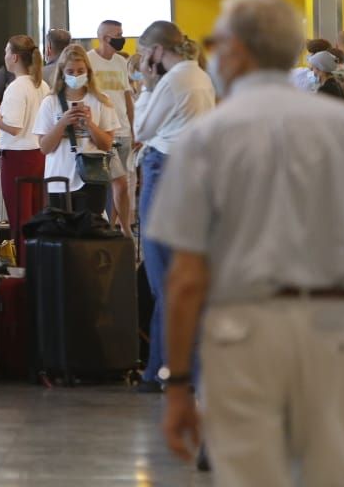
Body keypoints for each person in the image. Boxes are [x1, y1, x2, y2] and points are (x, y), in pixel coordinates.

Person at [153, 0, 344, 484]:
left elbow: (186, 278)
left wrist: (178, 388)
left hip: (241, 334)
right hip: (335, 331)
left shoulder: (206, 138)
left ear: (237, 50)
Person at [132, 20, 216, 394]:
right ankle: (171, 369)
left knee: (162, 276)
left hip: (164, 169)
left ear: (154, 52)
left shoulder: (173, 80)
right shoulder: (199, 75)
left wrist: (148, 88)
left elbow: (141, 130)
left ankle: (171, 370)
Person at [0, 35, 52, 247]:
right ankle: (36, 264)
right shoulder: (41, 85)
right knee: (35, 215)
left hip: (18, 159)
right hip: (38, 156)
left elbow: (14, 128)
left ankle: (24, 270)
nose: (4, 56)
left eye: (7, 52)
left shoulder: (17, 87)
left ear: (14, 57)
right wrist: (0, 113)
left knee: (19, 217)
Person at [34, 44, 120, 218]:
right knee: (62, 234)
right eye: (71, 71)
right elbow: (44, 147)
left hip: (92, 177)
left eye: (80, 71)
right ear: (62, 72)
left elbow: (106, 144)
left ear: (88, 71)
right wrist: (62, 123)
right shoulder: (50, 102)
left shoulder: (101, 100)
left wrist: (89, 124)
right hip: (59, 179)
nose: (76, 76)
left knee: (90, 234)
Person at [89, 20, 136, 233]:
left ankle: (114, 228)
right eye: (118, 34)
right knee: (117, 184)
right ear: (105, 37)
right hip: (103, 131)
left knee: (121, 185)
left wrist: (134, 129)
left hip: (124, 130)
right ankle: (122, 229)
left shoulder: (121, 62)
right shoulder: (89, 61)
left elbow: (127, 97)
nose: (122, 38)